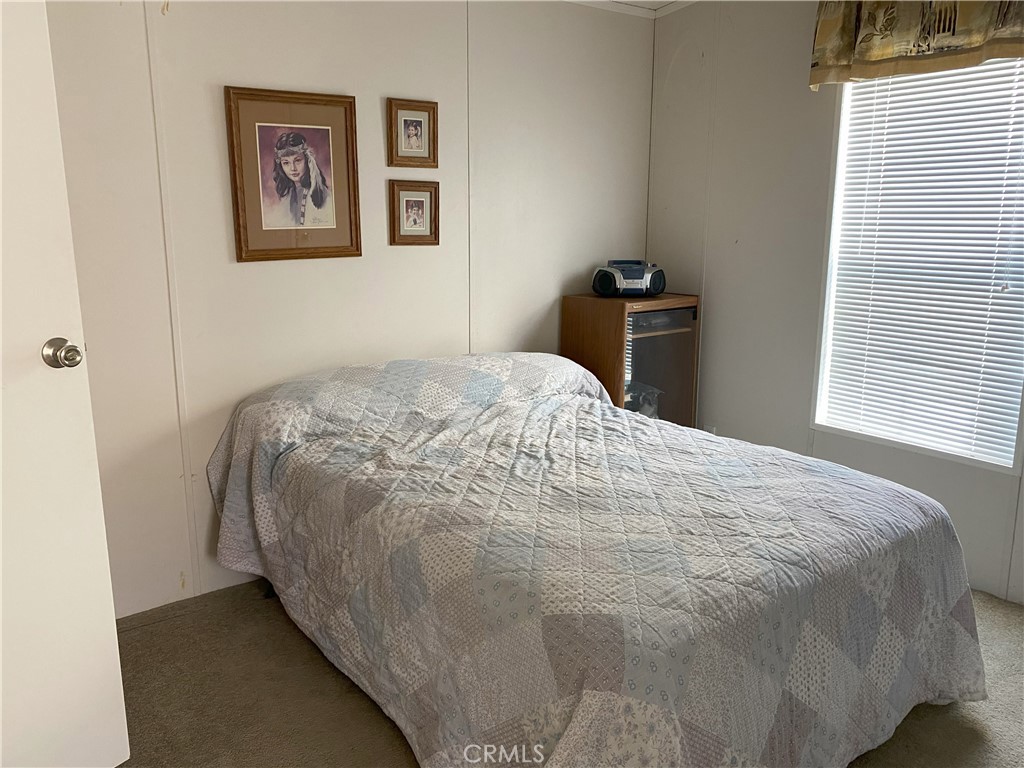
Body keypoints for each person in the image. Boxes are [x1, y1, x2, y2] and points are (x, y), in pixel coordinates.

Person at [263, 131, 335, 228]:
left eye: (297, 161)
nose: (293, 168)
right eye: (286, 163)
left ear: (307, 160)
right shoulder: (288, 195)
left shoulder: (322, 196)